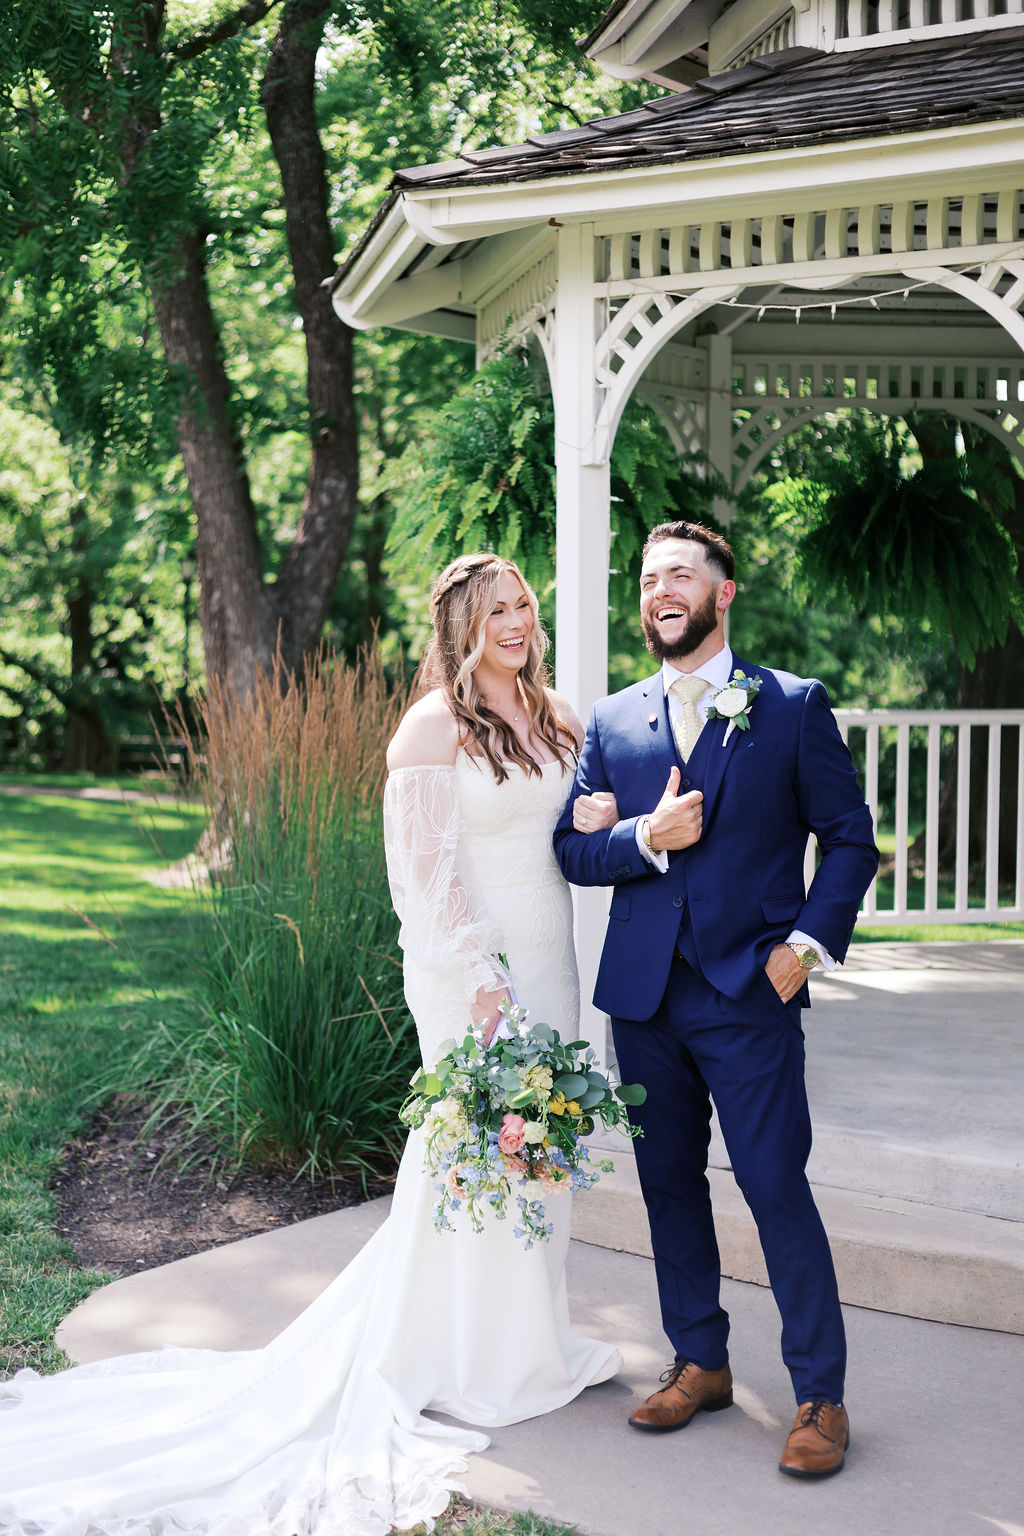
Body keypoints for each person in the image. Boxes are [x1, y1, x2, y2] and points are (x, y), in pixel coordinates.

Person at [0, 553, 621, 1536]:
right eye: (497, 608)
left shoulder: (558, 717)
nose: (517, 619)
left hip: (550, 964)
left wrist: (595, 814)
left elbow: (569, 834)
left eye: (525, 605)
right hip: (473, 977)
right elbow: (423, 876)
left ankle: (526, 1348)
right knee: (466, 1153)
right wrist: (481, 978)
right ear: (461, 626)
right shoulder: (431, 726)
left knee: (535, 1152)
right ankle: (452, 1355)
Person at [554, 520, 878, 1480]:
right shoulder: (612, 723)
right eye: (650, 578)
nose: (663, 590)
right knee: (665, 1186)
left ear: (722, 593)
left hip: (752, 991)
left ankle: (820, 1394)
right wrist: (644, 838)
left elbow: (850, 839)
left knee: (776, 1186)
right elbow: (573, 853)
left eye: (682, 575)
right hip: (643, 1001)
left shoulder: (791, 705)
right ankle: (700, 1359)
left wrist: (807, 947)